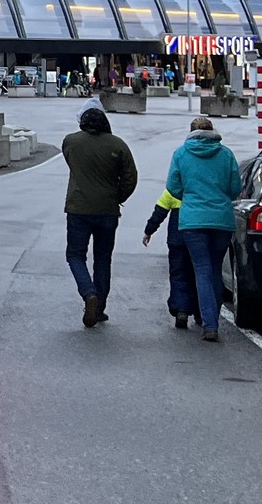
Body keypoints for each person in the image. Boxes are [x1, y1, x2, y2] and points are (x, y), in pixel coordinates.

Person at [161, 116, 240, 342]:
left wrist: (190, 196)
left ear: (191, 132)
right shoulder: (226, 154)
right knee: (215, 269)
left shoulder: (181, 154)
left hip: (193, 221)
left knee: (202, 269)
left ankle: (210, 325)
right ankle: (211, 320)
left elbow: (173, 187)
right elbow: (235, 187)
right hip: (222, 220)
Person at [60, 105, 138, 327]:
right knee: (103, 258)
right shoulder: (118, 145)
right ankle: (100, 307)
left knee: (75, 255)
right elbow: (130, 177)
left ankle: (88, 293)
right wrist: (117, 196)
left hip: (78, 208)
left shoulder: (70, 141)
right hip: (108, 210)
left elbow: (72, 162)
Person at [140, 190, 193, 328]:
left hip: (177, 239)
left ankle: (181, 310)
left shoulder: (173, 191)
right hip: (198, 237)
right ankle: (201, 311)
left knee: (178, 274)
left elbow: (160, 211)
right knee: (198, 274)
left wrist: (149, 231)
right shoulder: (200, 189)